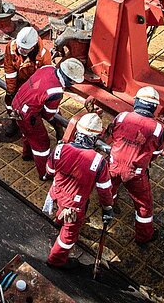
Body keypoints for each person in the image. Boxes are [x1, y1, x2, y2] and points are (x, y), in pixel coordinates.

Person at [43, 113, 114, 269]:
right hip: (73, 207)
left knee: (60, 212)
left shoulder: (60, 149)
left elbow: (49, 169)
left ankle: (58, 220)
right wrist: (108, 208)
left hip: (56, 194)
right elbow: (104, 190)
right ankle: (55, 260)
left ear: (77, 132)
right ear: (95, 138)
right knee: (68, 235)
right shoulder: (98, 161)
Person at [105, 86, 164, 246]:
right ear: (154, 107)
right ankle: (144, 237)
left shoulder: (122, 117)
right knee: (143, 204)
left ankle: (109, 207)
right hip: (135, 173)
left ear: (137, 102)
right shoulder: (158, 129)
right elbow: (156, 154)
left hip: (113, 165)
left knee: (109, 189)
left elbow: (112, 135)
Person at [11, 58, 85, 179]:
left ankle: (27, 154)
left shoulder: (47, 68)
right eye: (73, 82)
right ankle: (44, 173)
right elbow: (49, 114)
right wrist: (58, 128)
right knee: (42, 143)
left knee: (27, 133)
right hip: (28, 115)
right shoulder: (56, 91)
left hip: (17, 102)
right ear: (69, 79)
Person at [3, 27, 53, 136]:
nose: (21, 50)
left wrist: (30, 95)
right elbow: (9, 69)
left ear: (33, 47)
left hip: (33, 87)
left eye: (25, 48)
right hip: (19, 81)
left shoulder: (44, 56)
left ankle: (58, 130)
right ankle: (14, 121)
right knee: (9, 101)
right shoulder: (11, 46)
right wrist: (11, 90)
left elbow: (44, 79)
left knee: (35, 109)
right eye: (20, 46)